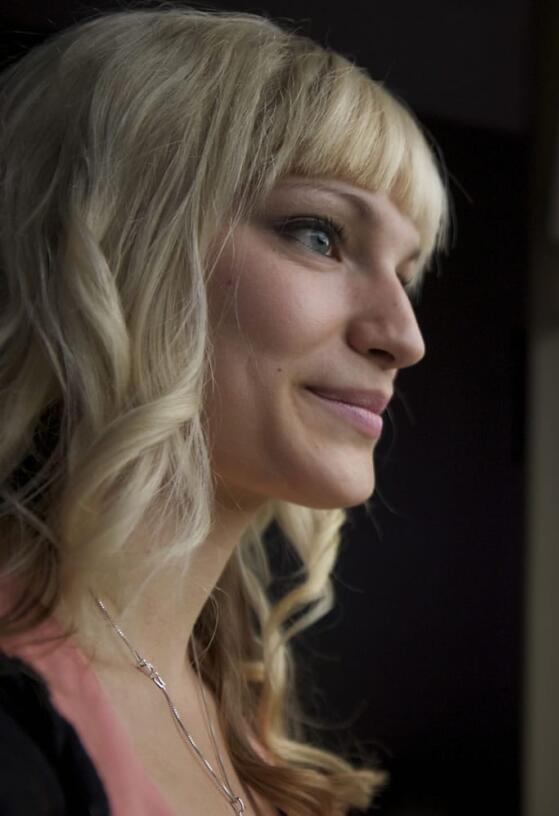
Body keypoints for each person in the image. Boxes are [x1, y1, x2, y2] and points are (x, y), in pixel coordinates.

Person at [0, 8, 449, 815]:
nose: (403, 337)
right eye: (320, 235)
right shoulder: (17, 746)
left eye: (406, 273)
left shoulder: (233, 716)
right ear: (117, 244)